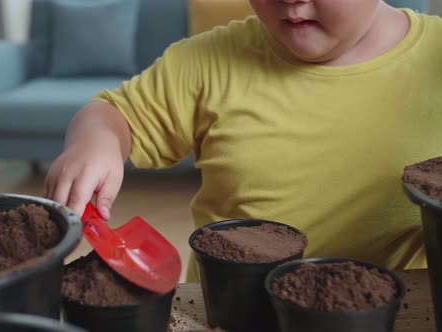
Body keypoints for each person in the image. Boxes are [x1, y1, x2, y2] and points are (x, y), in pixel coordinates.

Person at [44, 0, 442, 282]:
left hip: (397, 309)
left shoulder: (434, 57)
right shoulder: (205, 62)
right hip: (232, 310)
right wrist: (95, 140)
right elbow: (113, 115)